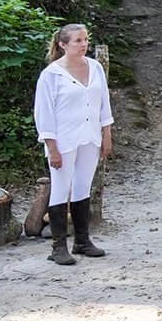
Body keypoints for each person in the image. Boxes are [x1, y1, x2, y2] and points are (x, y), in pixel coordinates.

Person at [34, 23, 115, 265]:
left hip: (90, 135)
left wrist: (106, 133)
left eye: (85, 40)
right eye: (77, 41)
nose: (83, 45)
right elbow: (44, 113)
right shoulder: (52, 75)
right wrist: (51, 146)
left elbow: (103, 102)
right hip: (63, 138)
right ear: (63, 45)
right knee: (61, 187)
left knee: (83, 186)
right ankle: (58, 246)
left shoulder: (96, 67)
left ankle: (82, 240)